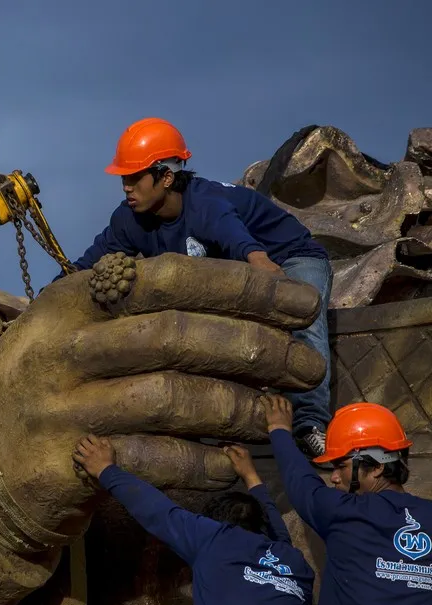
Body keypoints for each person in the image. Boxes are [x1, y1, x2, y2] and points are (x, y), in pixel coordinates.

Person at [55, 118, 332, 458]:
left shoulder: (206, 204)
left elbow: (245, 248)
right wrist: (50, 295)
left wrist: (274, 285)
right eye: (123, 178)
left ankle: (310, 424)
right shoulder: (128, 219)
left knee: (302, 317)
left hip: (289, 256)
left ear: (166, 177)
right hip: (236, 270)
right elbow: (89, 264)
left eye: (135, 177)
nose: (126, 187)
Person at [73, 434, 319, 605]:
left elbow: (158, 511)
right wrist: (251, 475)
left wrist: (106, 470)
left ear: (215, 523)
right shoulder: (295, 564)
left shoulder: (214, 541)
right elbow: (279, 532)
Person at [264, 394, 432, 605]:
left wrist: (279, 430)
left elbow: (301, 482)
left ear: (377, 467)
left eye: (341, 466)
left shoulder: (343, 512)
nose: (333, 477)